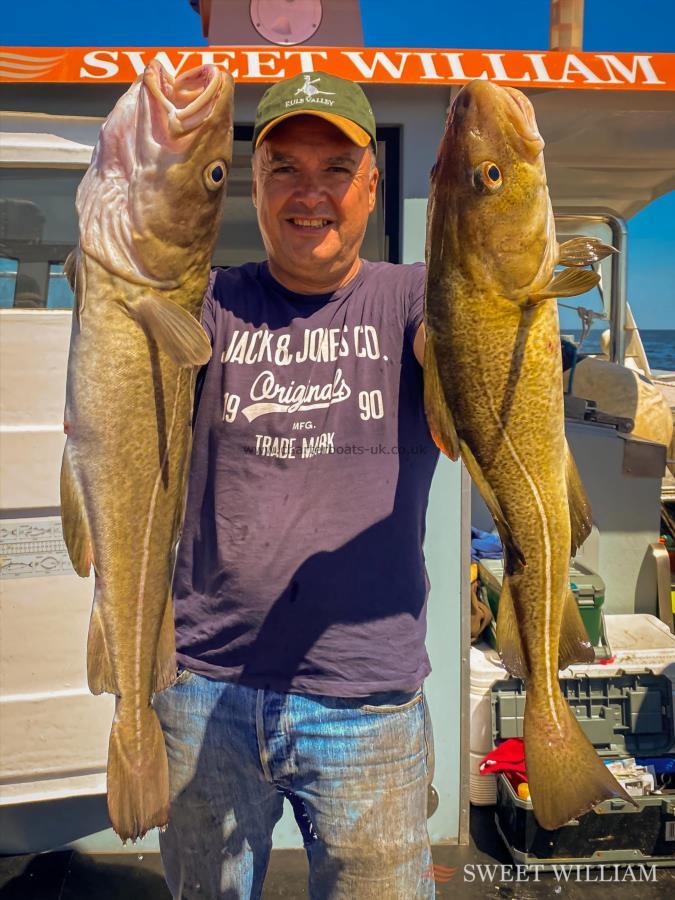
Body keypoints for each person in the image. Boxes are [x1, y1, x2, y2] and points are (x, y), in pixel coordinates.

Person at [153, 70, 439, 900]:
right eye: (285, 168)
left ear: (371, 184)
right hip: (203, 680)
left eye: (335, 170)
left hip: (366, 701)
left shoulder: (412, 298)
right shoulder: (207, 305)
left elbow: (463, 365)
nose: (309, 194)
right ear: (254, 181)